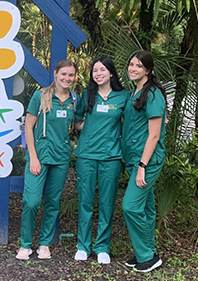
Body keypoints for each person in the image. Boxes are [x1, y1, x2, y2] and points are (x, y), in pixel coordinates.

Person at [16, 59, 80, 260]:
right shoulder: (41, 96)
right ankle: (26, 244)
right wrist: (32, 157)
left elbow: (77, 126)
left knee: (53, 201)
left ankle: (44, 244)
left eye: (71, 75)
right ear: (55, 73)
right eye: (64, 74)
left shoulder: (74, 100)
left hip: (61, 157)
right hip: (39, 156)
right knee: (32, 200)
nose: (67, 78)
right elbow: (28, 127)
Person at [73, 57, 128, 264]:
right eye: (95, 70)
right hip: (86, 155)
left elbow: (132, 121)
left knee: (107, 203)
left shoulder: (123, 97)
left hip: (111, 157)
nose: (98, 73)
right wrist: (88, 129)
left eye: (102, 70)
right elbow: (77, 123)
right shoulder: (87, 95)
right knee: (85, 202)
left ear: (111, 73)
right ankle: (83, 246)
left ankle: (102, 247)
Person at [121, 51, 166, 273]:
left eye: (138, 66)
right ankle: (147, 251)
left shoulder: (153, 94)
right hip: (133, 159)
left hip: (147, 161)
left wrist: (142, 166)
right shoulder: (135, 92)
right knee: (145, 208)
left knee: (130, 205)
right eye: (131, 64)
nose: (133, 68)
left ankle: (147, 255)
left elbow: (154, 135)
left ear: (147, 70)